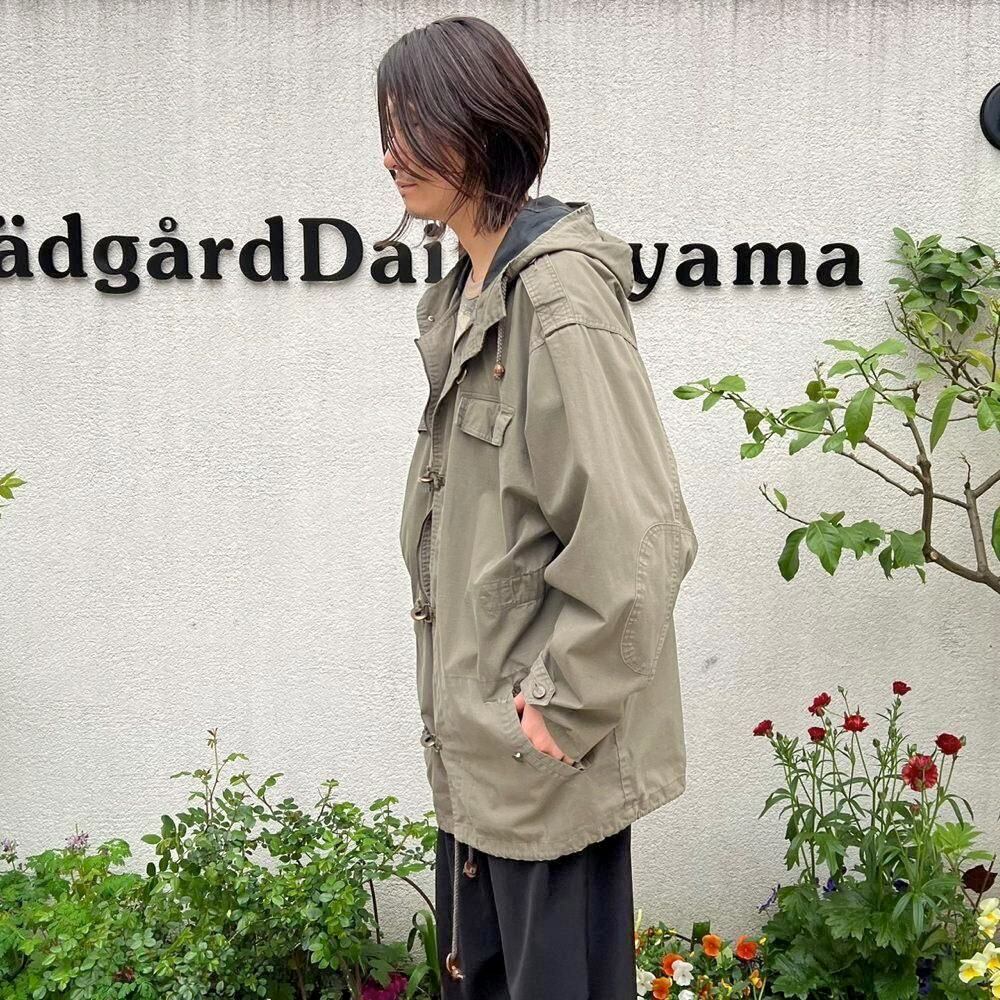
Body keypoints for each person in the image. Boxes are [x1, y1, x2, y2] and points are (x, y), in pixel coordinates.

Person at [377, 16, 699, 1000]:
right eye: (385, 129)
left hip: (545, 764)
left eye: (412, 126)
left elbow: (641, 532)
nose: (391, 154)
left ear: (483, 126)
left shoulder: (556, 299)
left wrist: (559, 707)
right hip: (481, 758)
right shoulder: (466, 297)